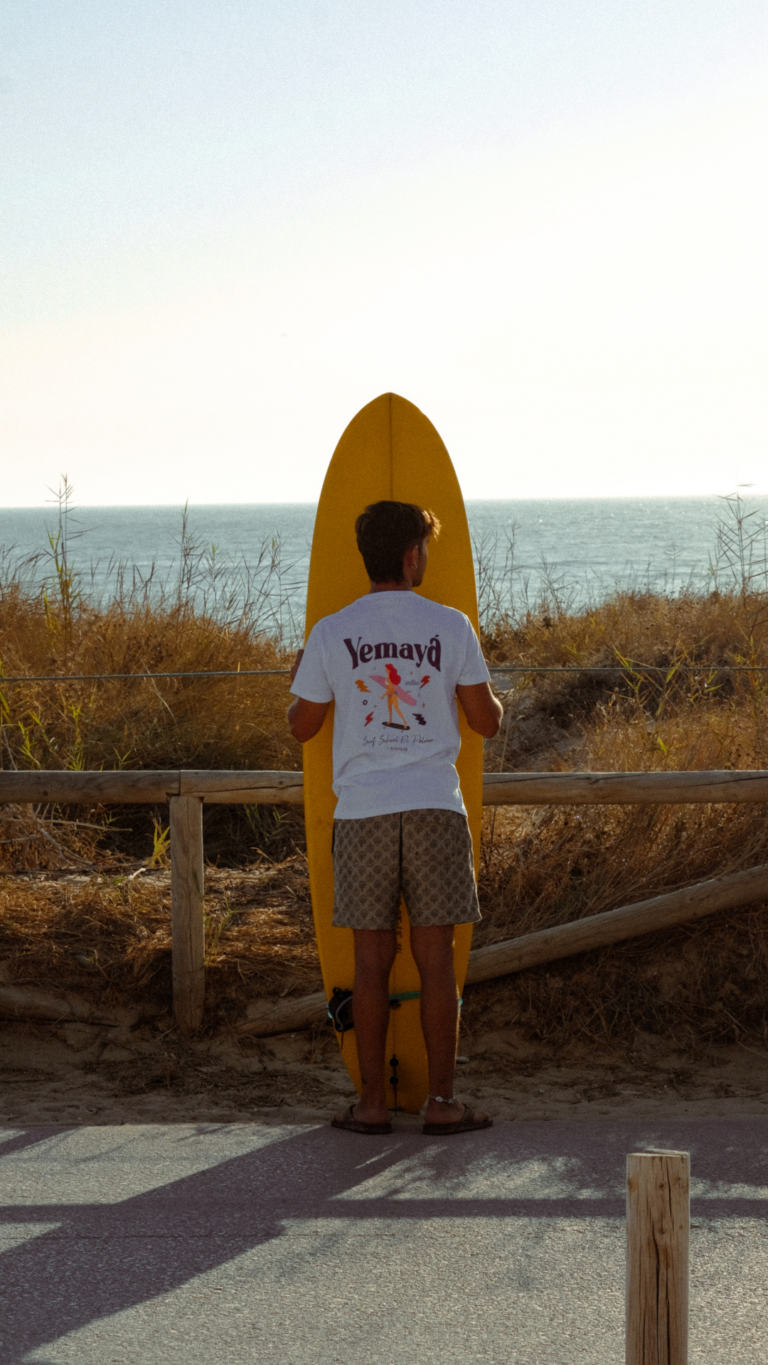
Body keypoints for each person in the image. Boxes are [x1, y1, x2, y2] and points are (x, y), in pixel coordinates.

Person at [288, 500, 503, 1135]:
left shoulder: (331, 630)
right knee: (437, 961)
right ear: (412, 556)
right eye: (425, 551)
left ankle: (373, 1106)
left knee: (370, 963)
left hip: (363, 813)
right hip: (436, 805)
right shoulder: (452, 625)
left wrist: (301, 672)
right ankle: (441, 1102)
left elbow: (303, 727)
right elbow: (486, 721)